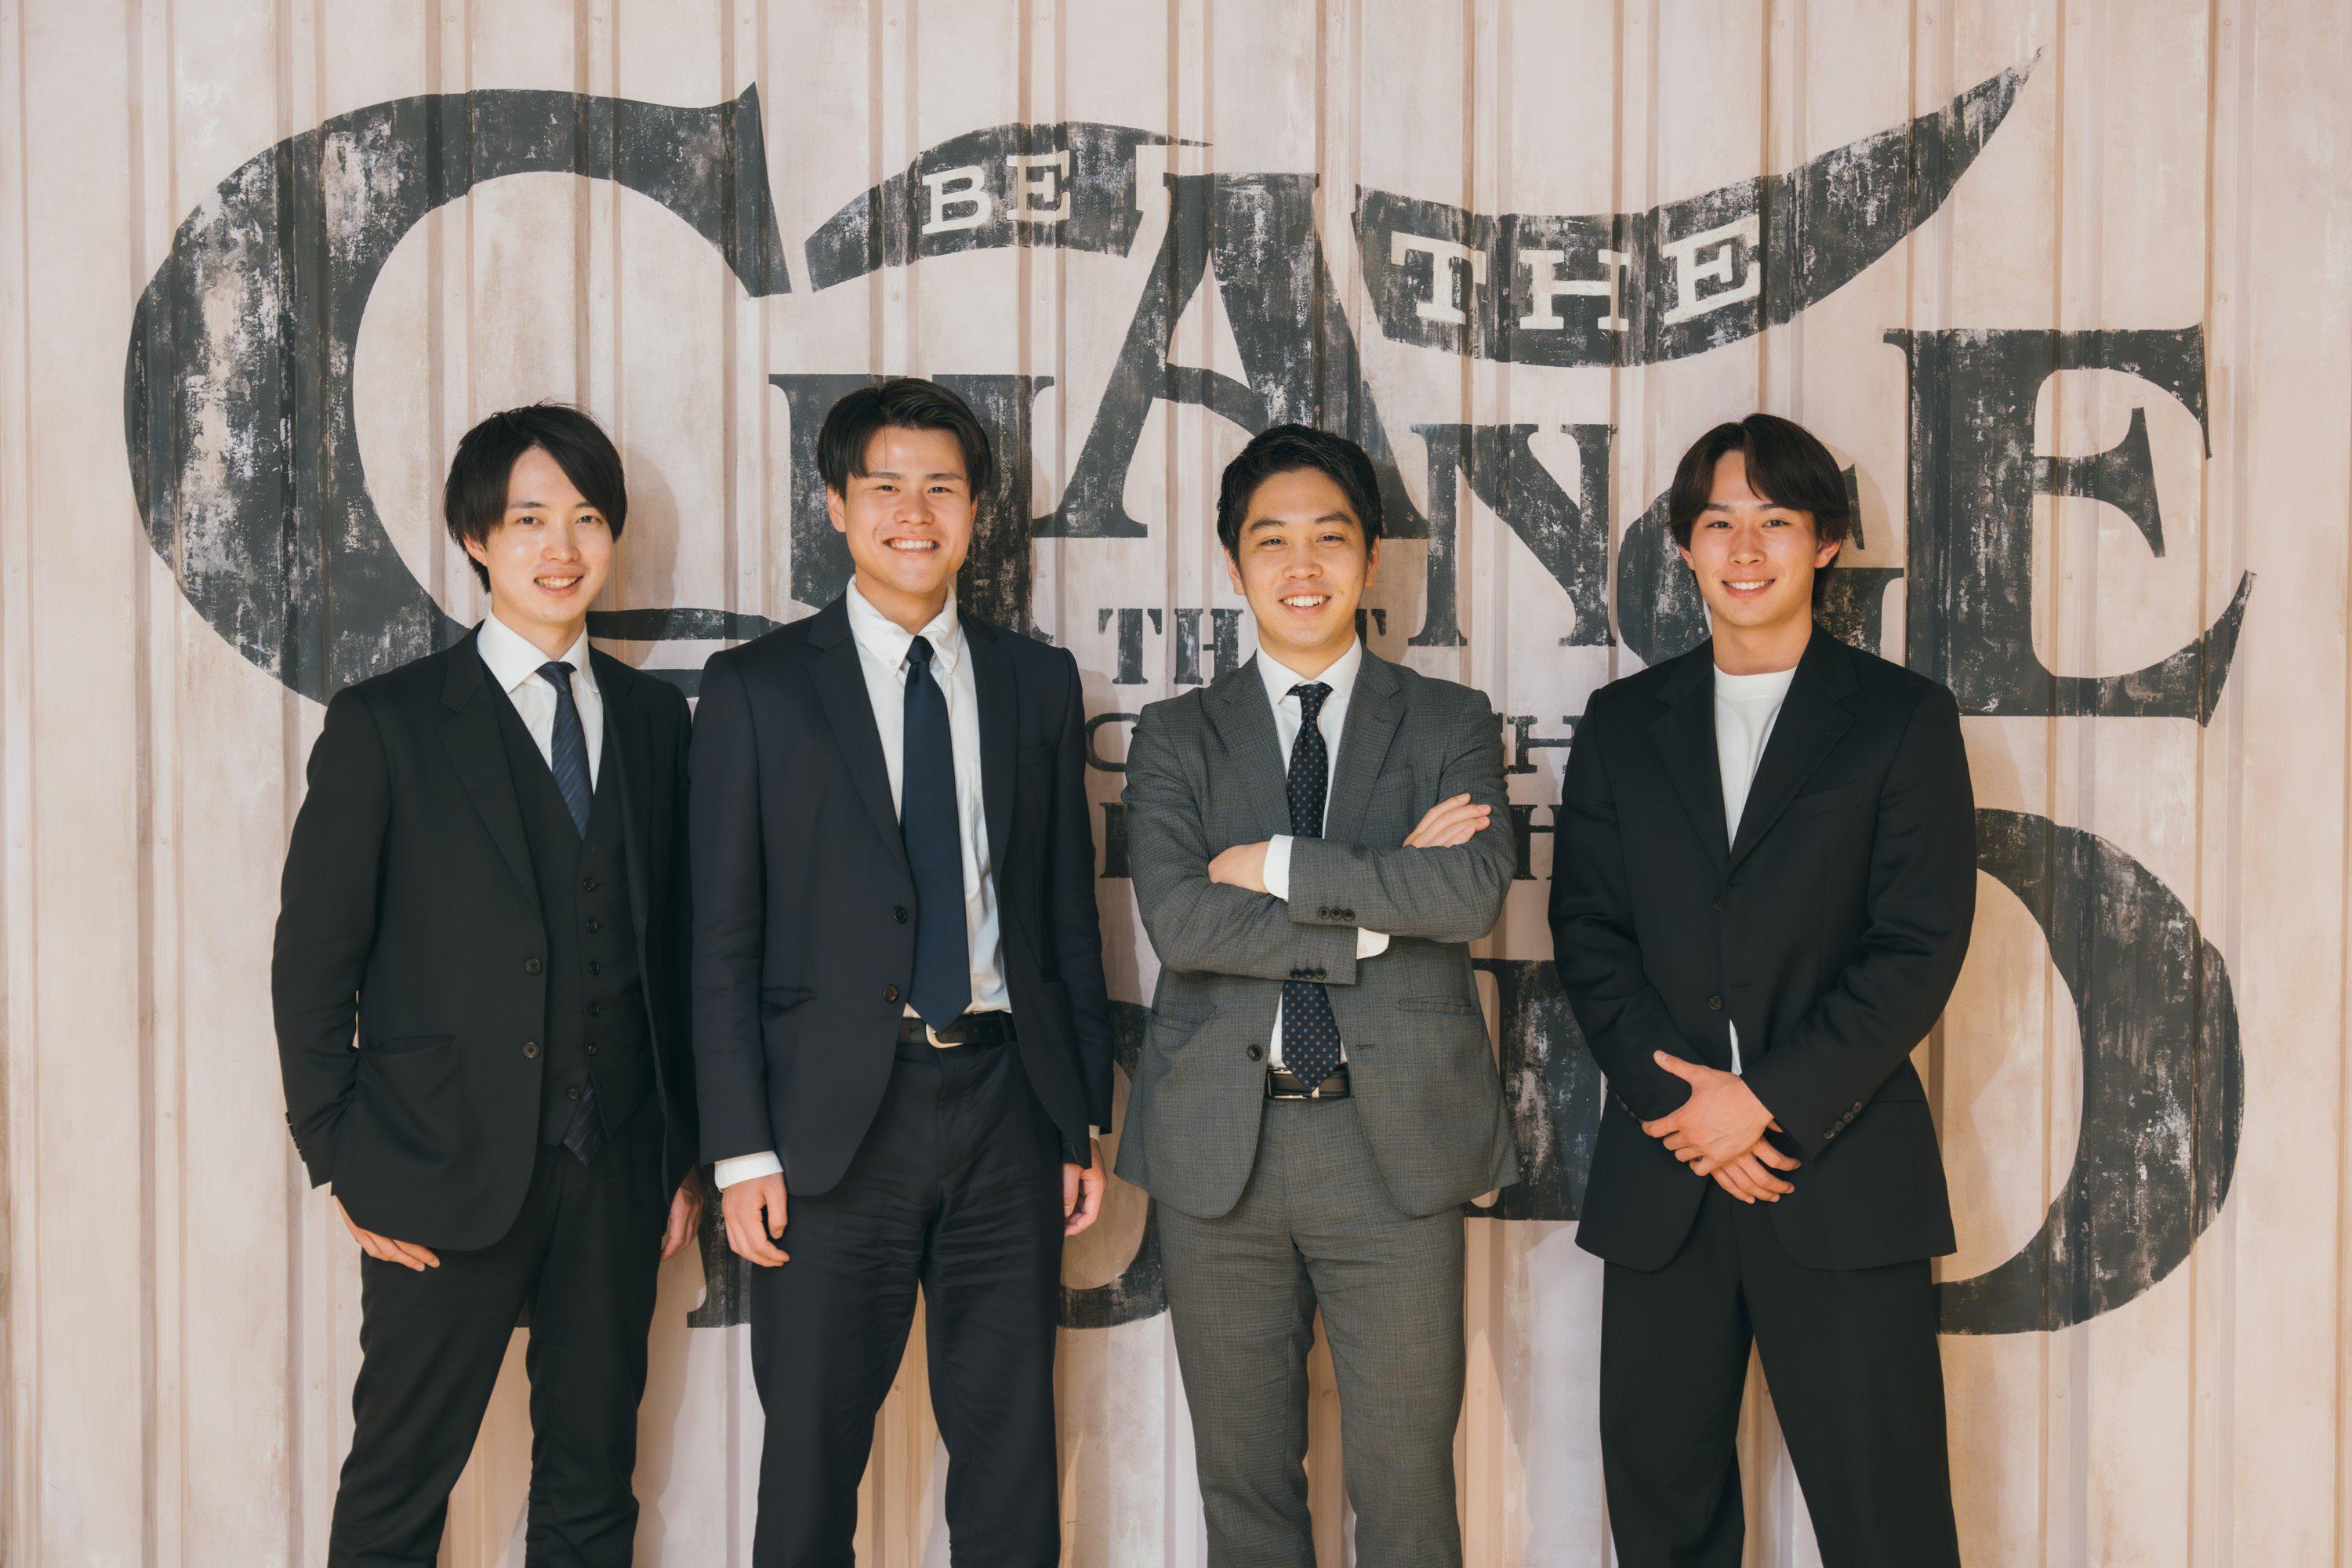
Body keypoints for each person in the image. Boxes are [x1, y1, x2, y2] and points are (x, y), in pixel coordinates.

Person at [690, 377, 1114, 1566]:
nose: (913, 513)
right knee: (811, 1465)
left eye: (942, 487)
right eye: (885, 486)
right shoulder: (758, 687)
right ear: (836, 503)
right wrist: (742, 1149)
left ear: (976, 510)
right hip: (831, 1128)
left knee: (1012, 1460)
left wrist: (1078, 1117)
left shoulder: (1036, 682)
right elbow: (718, 939)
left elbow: (1063, 916)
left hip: (1007, 1109)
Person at [273, 403, 704, 1566]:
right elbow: (312, 961)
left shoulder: (657, 723)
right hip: (435, 1167)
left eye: (586, 519)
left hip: (616, 1166)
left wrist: (681, 1152)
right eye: (527, 520)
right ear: (476, 538)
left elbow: (674, 951)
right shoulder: (387, 724)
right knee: (399, 1487)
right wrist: (342, 1154)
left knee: (592, 1487)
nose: (561, 547)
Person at [1549, 412, 1976, 1566]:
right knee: (1665, 1523)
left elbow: (1917, 946)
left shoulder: (1900, 719)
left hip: (1839, 1175)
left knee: (1887, 1526)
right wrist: (1688, 1109)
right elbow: (1588, 933)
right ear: (1686, 546)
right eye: (1719, 523)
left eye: (1775, 521)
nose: (1746, 549)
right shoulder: (1623, 724)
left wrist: (1766, 1102)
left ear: (1825, 542)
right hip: (1667, 1179)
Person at [1117, 423, 1518, 1566]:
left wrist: (1279, 865)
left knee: (1407, 1494)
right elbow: (1185, 923)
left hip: (1394, 1148)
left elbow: (1471, 891)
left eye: (1330, 538)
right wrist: (1383, 913)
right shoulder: (1176, 735)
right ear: (1234, 562)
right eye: (1272, 540)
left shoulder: (1450, 721)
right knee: (1244, 1493)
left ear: (1372, 556)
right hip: (1221, 1153)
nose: (1303, 567)